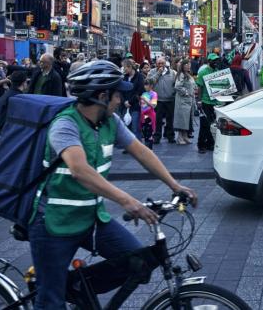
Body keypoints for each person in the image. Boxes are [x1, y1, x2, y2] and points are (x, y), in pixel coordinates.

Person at [27, 60, 197, 309]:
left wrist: (174, 185)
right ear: (102, 96)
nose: (120, 100)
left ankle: (76, 288)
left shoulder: (110, 122)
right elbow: (80, 170)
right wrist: (129, 201)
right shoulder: (65, 124)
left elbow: (141, 152)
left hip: (90, 218)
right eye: (117, 95)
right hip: (53, 223)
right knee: (50, 300)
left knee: (138, 262)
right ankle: (58, 289)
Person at [195, 53, 223, 154]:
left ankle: (210, 144)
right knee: (204, 124)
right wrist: (199, 101)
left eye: (217, 60)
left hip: (215, 102)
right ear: (209, 61)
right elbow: (199, 87)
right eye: (214, 60)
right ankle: (201, 145)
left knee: (213, 124)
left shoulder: (217, 71)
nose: (216, 62)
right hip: (205, 101)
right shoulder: (203, 72)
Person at [147, 57, 176, 144]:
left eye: (162, 63)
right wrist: (158, 73)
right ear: (156, 64)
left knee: (170, 119)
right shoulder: (152, 71)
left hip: (170, 99)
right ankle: (157, 136)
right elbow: (150, 82)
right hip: (158, 99)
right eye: (159, 63)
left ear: (165, 63)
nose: (160, 65)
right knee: (157, 119)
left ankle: (170, 136)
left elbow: (176, 84)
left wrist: (173, 93)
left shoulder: (172, 72)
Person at [173, 59, 197, 146]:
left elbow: (192, 85)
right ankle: (179, 137)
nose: (188, 65)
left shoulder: (188, 74)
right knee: (182, 119)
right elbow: (177, 86)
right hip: (182, 100)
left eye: (189, 64)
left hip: (189, 101)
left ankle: (185, 136)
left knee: (186, 119)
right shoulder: (181, 74)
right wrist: (186, 92)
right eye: (186, 64)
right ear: (182, 65)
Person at [121, 59, 145, 139]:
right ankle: (129, 147)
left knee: (135, 128)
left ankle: (138, 148)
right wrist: (124, 101)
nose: (124, 69)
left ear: (130, 67)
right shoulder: (124, 77)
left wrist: (130, 102)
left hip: (135, 106)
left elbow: (140, 91)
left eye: (125, 68)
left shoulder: (139, 77)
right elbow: (121, 91)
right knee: (127, 127)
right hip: (125, 106)